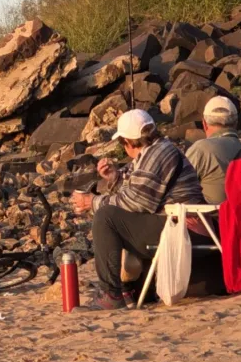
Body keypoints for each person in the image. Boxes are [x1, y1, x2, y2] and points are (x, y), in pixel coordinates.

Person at [71, 109, 208, 310]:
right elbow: (138, 191)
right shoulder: (156, 150)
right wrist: (115, 178)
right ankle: (135, 288)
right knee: (117, 215)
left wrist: (92, 202)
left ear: (127, 142)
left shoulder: (157, 154)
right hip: (181, 223)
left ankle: (111, 294)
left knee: (106, 217)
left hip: (185, 228)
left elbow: (138, 202)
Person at [186, 96, 241, 204]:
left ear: (204, 124)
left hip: (212, 214)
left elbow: (180, 189)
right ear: (236, 123)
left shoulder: (202, 149)